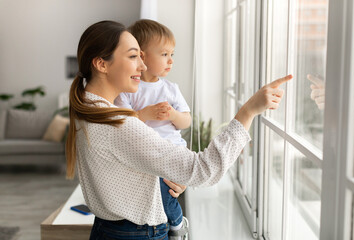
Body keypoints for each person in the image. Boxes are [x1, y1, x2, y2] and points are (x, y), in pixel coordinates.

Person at [66, 20, 292, 240]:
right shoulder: (117, 123)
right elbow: (204, 170)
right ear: (101, 64)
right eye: (134, 56)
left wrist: (168, 173)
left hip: (108, 229)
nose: (142, 66)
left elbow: (123, 165)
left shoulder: (87, 105)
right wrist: (248, 111)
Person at [114, 19, 190, 239]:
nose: (171, 61)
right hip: (145, 154)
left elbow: (186, 121)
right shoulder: (128, 90)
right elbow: (123, 124)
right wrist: (145, 114)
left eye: (172, 54)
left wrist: (173, 115)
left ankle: (176, 222)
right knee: (156, 192)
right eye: (165, 54)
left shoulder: (171, 89)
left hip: (172, 151)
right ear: (143, 56)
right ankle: (173, 222)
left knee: (166, 191)